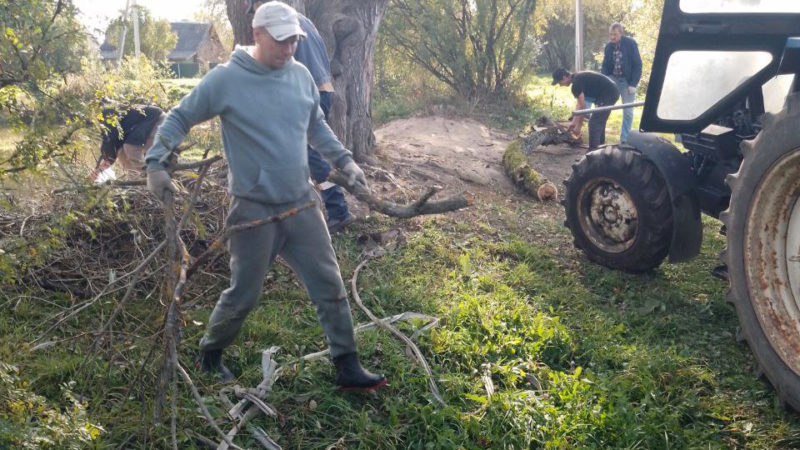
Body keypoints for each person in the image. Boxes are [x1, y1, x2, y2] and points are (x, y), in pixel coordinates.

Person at [145, 1, 386, 391]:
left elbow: (317, 126)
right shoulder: (226, 79)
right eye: (281, 41)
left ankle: (347, 364)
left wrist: (345, 160)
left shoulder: (301, 76)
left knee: (330, 284)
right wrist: (156, 163)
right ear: (257, 34)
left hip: (301, 204)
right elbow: (180, 116)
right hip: (253, 210)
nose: (289, 48)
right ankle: (210, 354)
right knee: (244, 293)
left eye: (294, 41)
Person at [248, 0, 356, 234]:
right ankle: (306, 207)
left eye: (255, 9)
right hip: (322, 88)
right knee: (303, 153)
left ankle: (338, 210)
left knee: (309, 154)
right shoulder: (303, 21)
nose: (255, 15)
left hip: (306, 92)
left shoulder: (277, 26)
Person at [89, 103, 165, 181]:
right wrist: (98, 169)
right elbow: (109, 145)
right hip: (142, 124)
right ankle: (135, 180)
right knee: (121, 152)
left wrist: (99, 168)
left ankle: (149, 176)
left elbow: (110, 144)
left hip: (157, 118)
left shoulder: (107, 115)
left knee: (131, 147)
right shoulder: (104, 121)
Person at [552, 68, 620, 150]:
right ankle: (600, 149)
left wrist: (578, 126)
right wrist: (574, 123)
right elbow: (579, 105)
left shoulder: (576, 84)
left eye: (560, 82)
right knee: (599, 121)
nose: (560, 85)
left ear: (564, 77)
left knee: (594, 123)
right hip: (610, 91)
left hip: (608, 93)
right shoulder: (577, 78)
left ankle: (593, 151)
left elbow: (583, 107)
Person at [601, 23, 642, 144]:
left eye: (615, 34)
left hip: (626, 81)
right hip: (612, 79)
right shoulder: (609, 46)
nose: (612, 37)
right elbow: (605, 65)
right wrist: (604, 79)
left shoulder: (630, 44)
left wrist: (633, 84)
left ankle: (624, 139)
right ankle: (600, 137)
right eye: (611, 34)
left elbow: (638, 65)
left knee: (628, 111)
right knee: (603, 107)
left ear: (621, 34)